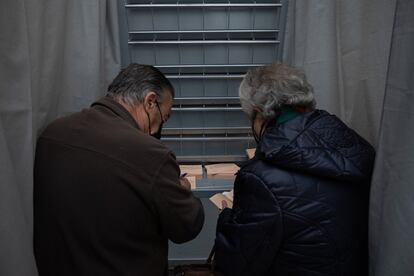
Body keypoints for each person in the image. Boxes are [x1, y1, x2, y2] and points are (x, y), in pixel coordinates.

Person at [34, 64, 204, 276]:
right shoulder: (150, 154)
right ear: (150, 102)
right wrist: (183, 190)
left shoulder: (52, 135)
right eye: (164, 117)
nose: (161, 127)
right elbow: (187, 226)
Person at [214, 63, 375, 276]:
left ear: (258, 113)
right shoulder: (350, 147)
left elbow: (237, 264)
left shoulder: (259, 178)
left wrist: (228, 217)